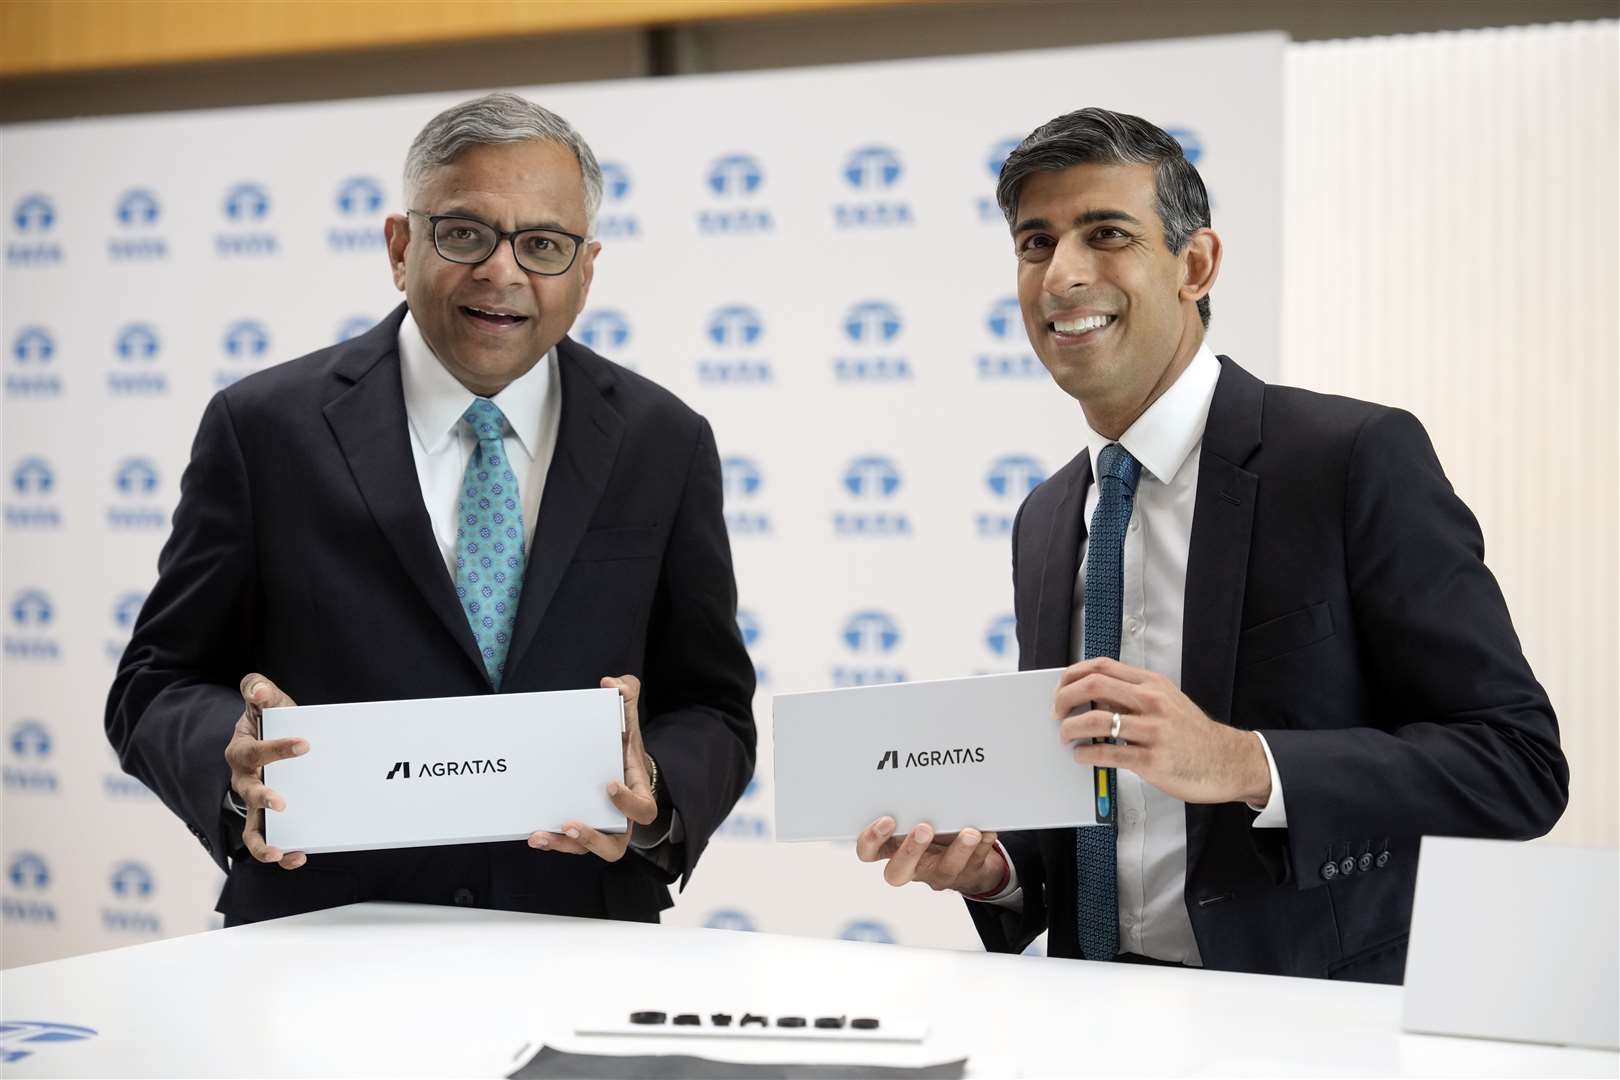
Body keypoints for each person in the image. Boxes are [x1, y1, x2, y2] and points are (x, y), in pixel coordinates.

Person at [854, 107, 1567, 982]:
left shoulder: (1347, 459)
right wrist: (1000, 874)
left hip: (1310, 1021)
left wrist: (1244, 761)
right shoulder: (1047, 516)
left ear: (1196, 265)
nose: (1062, 276)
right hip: (1092, 1012)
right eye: (1035, 245)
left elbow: (1518, 766)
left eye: (1105, 234)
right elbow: (1089, 817)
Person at [106, 92, 756, 926]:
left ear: (586, 270)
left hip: (580, 938)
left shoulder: (663, 439)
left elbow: (712, 706)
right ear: (400, 245)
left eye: (544, 245)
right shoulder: (263, 428)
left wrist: (656, 794)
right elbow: (153, 684)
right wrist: (232, 762)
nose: (502, 271)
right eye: (464, 234)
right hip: (321, 937)